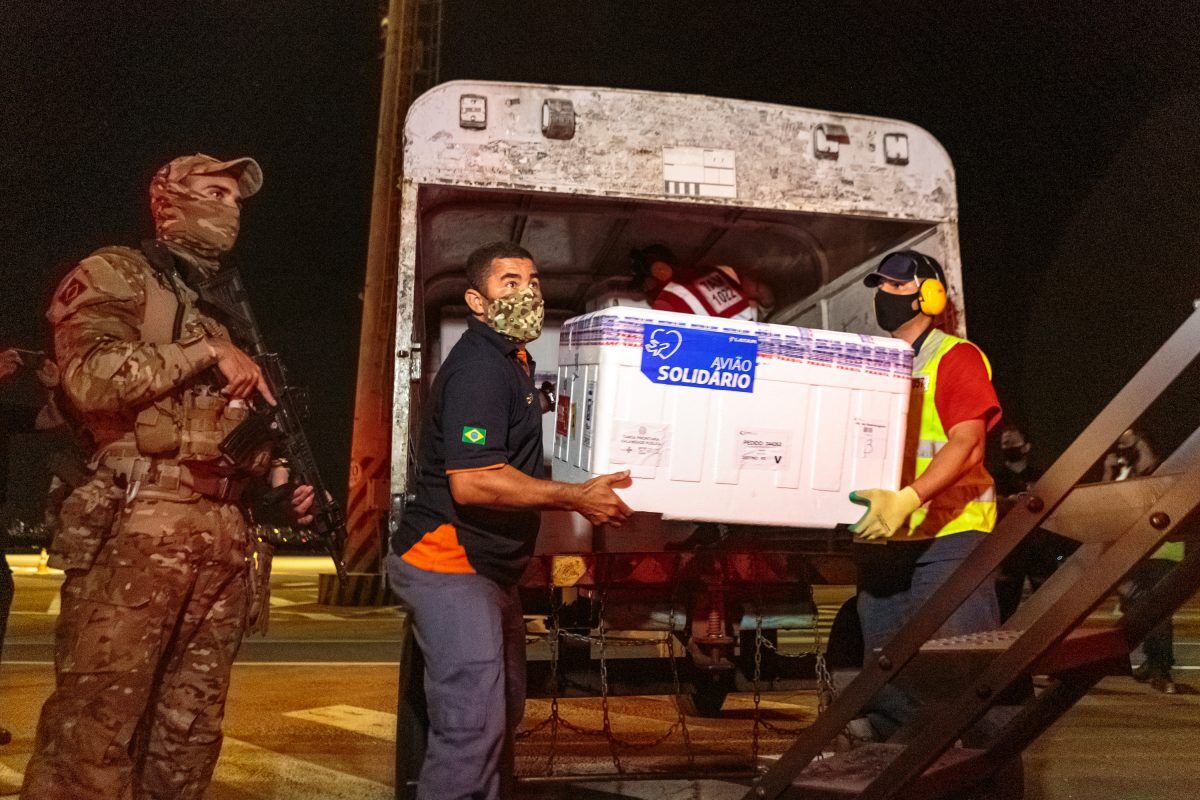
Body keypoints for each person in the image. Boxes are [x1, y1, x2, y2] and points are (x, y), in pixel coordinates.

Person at [22, 154, 315, 800]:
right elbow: (89, 378)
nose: (230, 207)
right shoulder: (119, 273)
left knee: (187, 737)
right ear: (167, 200)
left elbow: (227, 426)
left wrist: (277, 487)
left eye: (236, 198)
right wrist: (205, 352)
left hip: (224, 536)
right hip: (138, 524)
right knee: (94, 733)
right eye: (214, 191)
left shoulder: (223, 303)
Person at [388, 240, 633, 800]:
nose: (528, 292)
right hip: (449, 563)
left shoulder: (514, 360)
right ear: (478, 301)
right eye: (510, 283)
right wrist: (575, 496)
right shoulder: (480, 370)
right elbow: (473, 482)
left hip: (489, 570)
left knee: (500, 715)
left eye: (533, 281)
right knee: (472, 727)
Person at [847, 250, 1002, 739]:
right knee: (887, 674)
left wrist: (908, 499)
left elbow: (967, 445)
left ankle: (980, 777)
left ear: (929, 295)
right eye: (881, 286)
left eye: (896, 286)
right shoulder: (877, 365)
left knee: (956, 676)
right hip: (889, 541)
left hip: (951, 537)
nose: (884, 296)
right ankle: (897, 767)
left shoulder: (955, 357)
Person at [1106, 428, 1181, 693]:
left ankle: (1162, 671)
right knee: (1136, 608)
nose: (1129, 450)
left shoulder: (1164, 474)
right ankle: (1154, 661)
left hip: (1161, 551)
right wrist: (1110, 471)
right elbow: (1106, 502)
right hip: (1129, 550)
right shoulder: (1122, 474)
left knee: (1158, 610)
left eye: (1134, 443)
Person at [992, 425, 1077, 622]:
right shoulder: (994, 478)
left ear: (1026, 447)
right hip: (1009, 547)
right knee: (1006, 605)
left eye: (1014, 442)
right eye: (1006, 443)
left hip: (1039, 545)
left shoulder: (1041, 476)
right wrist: (1007, 502)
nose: (1009, 446)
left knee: (1048, 602)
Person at [632, 245, 772, 321]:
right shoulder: (720, 270)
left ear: (659, 271)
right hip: (751, 338)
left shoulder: (667, 299)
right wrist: (766, 308)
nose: (644, 290)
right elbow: (761, 291)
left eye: (643, 285)